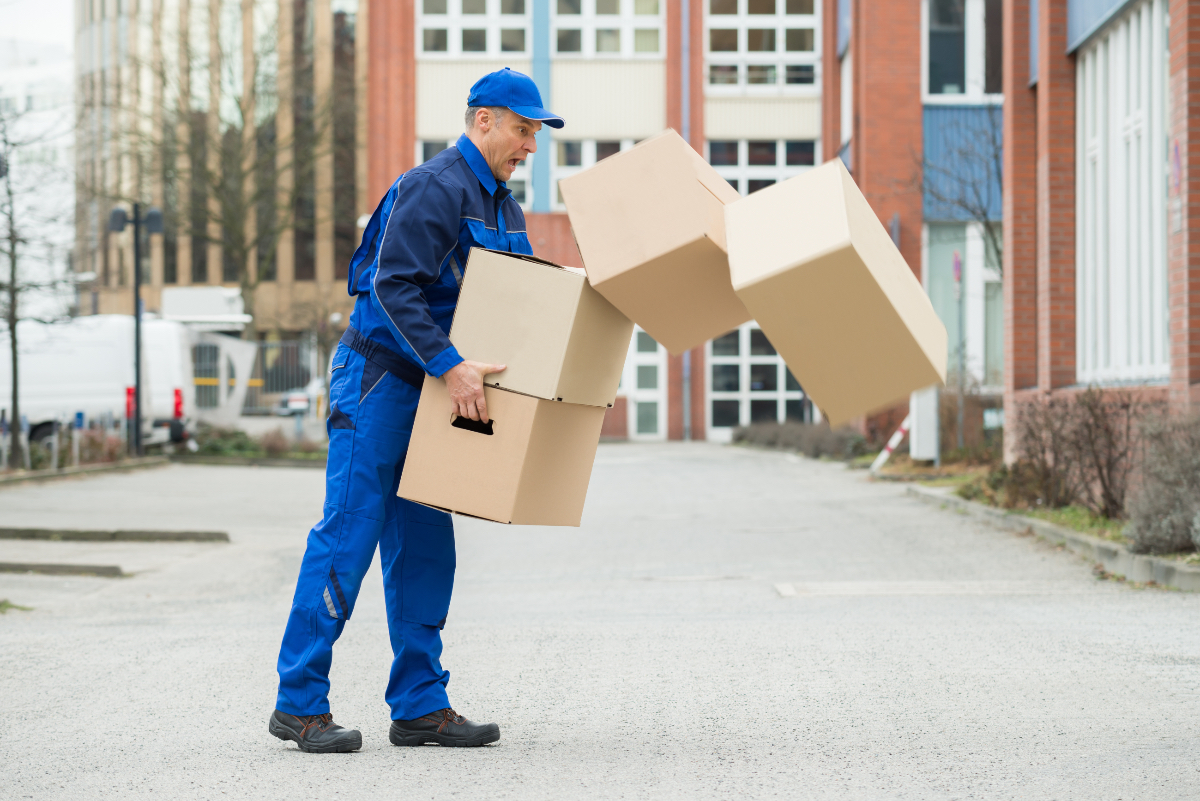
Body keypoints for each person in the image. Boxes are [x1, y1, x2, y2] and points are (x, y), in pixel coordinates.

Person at [268, 68, 564, 753]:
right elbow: (389, 287)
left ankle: (420, 705)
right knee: (348, 535)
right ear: (483, 121)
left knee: (427, 549)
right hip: (380, 380)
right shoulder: (434, 188)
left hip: (438, 391)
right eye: (523, 130)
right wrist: (450, 365)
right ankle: (299, 701)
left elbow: (511, 308)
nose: (530, 146)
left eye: (536, 135)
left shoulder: (506, 211)